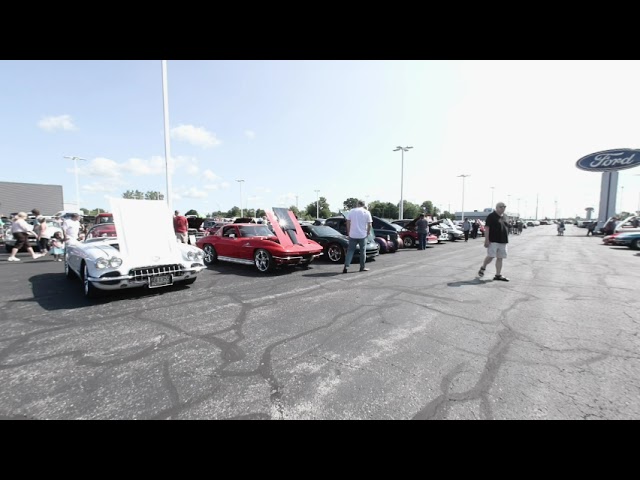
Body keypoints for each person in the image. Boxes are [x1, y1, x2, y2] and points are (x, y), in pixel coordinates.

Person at [478, 202, 509, 281]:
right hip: (493, 240)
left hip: (503, 241)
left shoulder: (505, 216)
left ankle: (498, 275)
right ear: (497, 207)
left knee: (500, 257)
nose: (503, 209)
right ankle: (483, 267)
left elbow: (506, 227)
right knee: (491, 256)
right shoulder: (491, 216)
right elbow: (487, 228)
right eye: (501, 207)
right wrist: (486, 240)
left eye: (504, 207)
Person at [342, 200, 372, 273]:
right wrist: (367, 232)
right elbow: (370, 224)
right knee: (362, 251)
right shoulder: (367, 212)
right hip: (362, 235)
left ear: (357, 204)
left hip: (353, 234)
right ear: (364, 205)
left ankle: (346, 266)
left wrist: (349, 232)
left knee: (350, 251)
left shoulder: (351, 211)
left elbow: (348, 222)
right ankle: (362, 267)